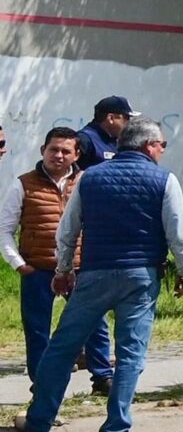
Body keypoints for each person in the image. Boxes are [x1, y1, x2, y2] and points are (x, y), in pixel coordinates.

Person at [12, 119, 183, 432]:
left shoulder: (89, 177)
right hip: (141, 276)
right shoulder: (164, 180)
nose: (163, 151)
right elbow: (178, 234)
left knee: (62, 348)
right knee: (129, 355)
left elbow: (67, 230)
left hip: (93, 273)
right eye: (162, 145)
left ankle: (37, 425)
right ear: (149, 146)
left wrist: (64, 269)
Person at [3, 126, 111, 395]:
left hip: (80, 269)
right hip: (38, 269)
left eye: (66, 151)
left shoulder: (88, 181)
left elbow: (102, 224)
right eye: (53, 149)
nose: (59, 155)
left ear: (76, 155)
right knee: (38, 329)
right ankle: (42, 384)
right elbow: (4, 229)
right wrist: (19, 264)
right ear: (43, 151)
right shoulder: (23, 183)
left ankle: (102, 377)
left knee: (94, 323)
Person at [74, 95, 131, 169]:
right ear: (111, 118)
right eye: (126, 118)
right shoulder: (85, 139)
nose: (129, 122)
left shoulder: (118, 140)